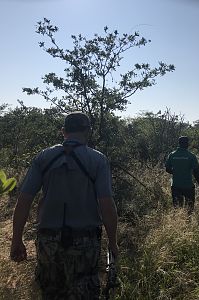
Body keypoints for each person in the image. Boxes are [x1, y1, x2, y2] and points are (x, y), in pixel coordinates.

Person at [10, 112, 118, 299]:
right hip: (85, 240)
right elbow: (107, 205)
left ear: (63, 131)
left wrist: (16, 239)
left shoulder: (44, 157)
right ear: (88, 131)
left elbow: (24, 201)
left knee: (51, 293)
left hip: (49, 240)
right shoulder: (98, 160)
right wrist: (113, 243)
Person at [165, 136, 199, 214]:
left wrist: (176, 172)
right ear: (187, 144)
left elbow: (167, 169)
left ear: (179, 143)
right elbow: (196, 172)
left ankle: (177, 223)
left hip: (176, 185)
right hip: (188, 186)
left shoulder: (172, 155)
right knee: (189, 210)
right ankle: (187, 223)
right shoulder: (191, 156)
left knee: (177, 208)